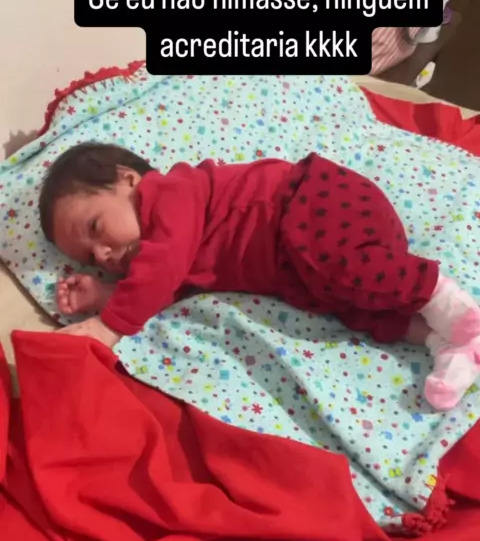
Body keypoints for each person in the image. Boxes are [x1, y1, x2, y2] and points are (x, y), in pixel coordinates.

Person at [39, 142, 480, 412]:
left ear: (128, 180)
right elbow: (165, 287)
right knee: (355, 306)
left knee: (342, 264)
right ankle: (446, 343)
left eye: (96, 227)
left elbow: (163, 265)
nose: (103, 254)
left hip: (317, 202)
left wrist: (109, 324)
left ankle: (449, 302)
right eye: (91, 258)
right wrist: (104, 292)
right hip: (297, 266)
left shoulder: (172, 192)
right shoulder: (160, 259)